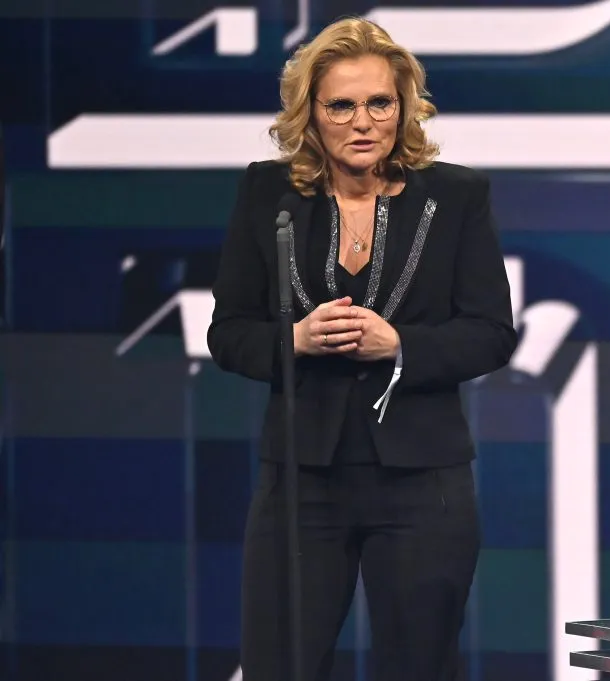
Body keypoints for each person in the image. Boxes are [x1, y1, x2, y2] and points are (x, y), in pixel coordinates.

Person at [206, 16, 518, 681]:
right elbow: (228, 330)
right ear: (311, 115)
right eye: (341, 105)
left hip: (421, 481)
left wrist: (399, 342)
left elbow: (491, 331)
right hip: (300, 481)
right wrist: (296, 337)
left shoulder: (456, 197)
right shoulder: (269, 194)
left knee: (420, 667)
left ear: (404, 107)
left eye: (379, 102)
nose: (362, 121)